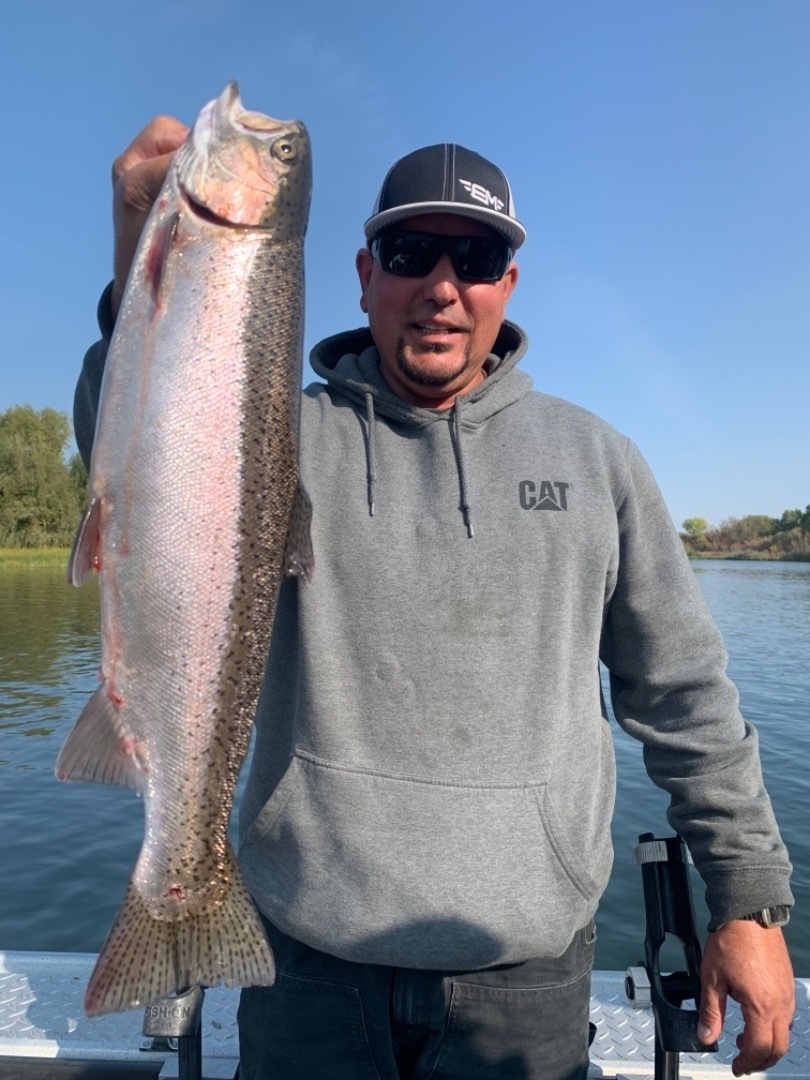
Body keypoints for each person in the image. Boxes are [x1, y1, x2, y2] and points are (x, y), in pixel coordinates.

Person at [74, 117, 796, 1080]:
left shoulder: (599, 461)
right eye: (412, 253)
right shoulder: (271, 428)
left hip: (525, 985)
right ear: (367, 274)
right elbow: (132, 447)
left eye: (477, 255)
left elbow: (685, 699)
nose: (442, 287)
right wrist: (140, 243)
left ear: (509, 282)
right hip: (305, 970)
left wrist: (745, 901)